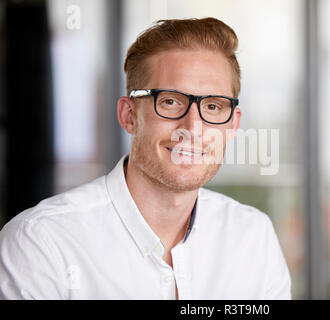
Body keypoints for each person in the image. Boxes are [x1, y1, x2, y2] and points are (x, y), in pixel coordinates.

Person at [0, 17, 291, 299]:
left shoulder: (254, 238)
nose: (192, 129)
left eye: (213, 106)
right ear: (129, 116)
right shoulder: (41, 243)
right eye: (170, 102)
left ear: (232, 124)